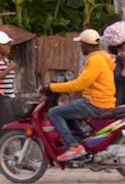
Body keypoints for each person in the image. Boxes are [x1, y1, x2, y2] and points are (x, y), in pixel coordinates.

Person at [45, 28, 116, 162]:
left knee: (54, 112)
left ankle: (74, 146)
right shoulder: (102, 58)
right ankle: (83, 145)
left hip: (95, 103)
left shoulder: (96, 60)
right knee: (68, 112)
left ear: (88, 45)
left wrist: (52, 87)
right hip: (102, 101)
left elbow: (79, 85)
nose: (80, 47)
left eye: (81, 44)